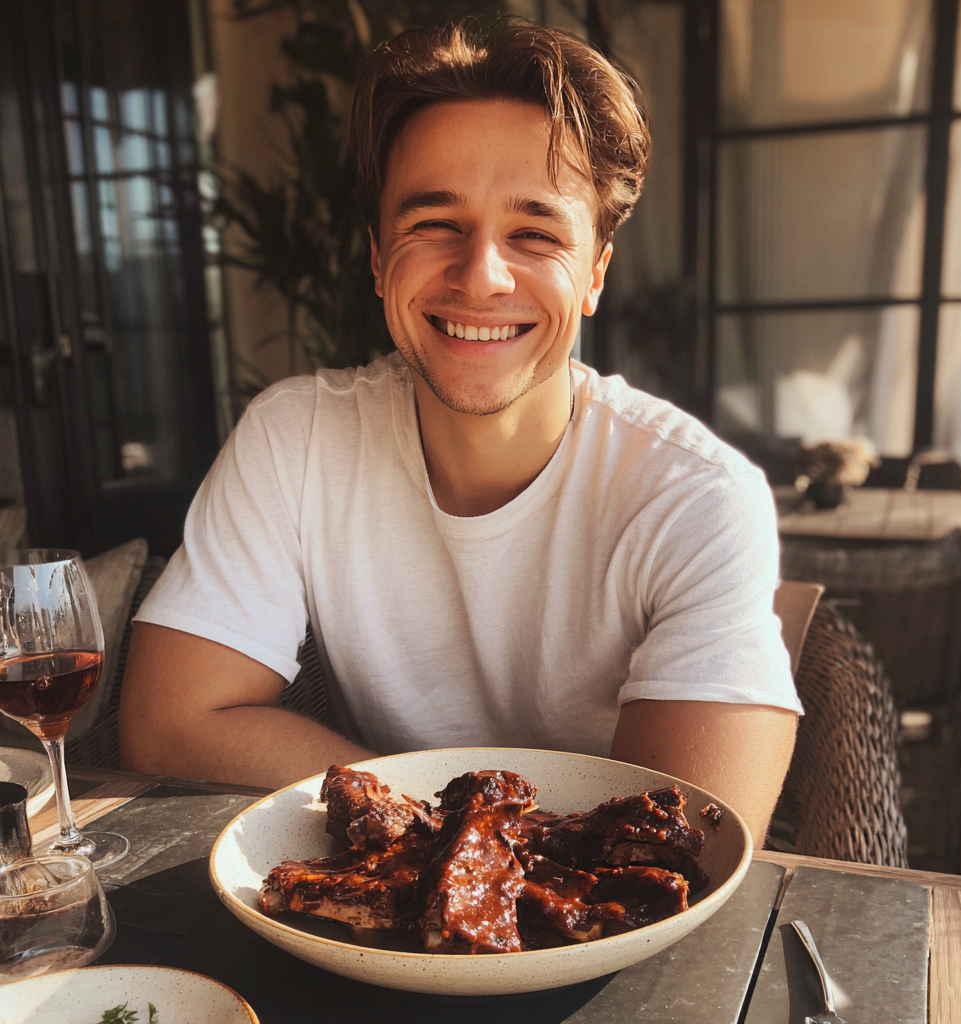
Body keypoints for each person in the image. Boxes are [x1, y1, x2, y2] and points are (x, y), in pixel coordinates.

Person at [119, 18, 800, 844]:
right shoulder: (295, 437)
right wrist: (446, 834)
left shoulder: (694, 495)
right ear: (378, 258)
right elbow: (169, 722)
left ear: (594, 275)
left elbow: (689, 839)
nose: (481, 275)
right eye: (435, 222)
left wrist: (431, 835)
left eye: (535, 233)